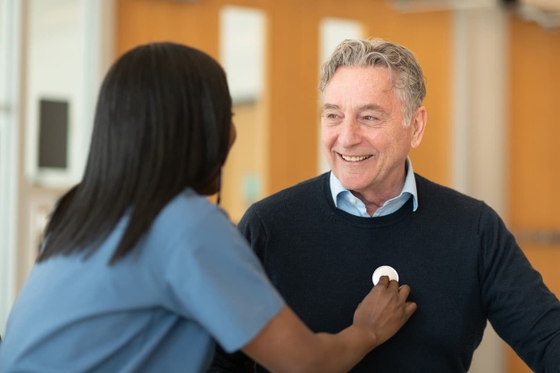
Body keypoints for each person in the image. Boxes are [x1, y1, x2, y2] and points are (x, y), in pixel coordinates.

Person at [0, 42, 417, 373]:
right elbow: (304, 364)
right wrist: (367, 331)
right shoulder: (185, 225)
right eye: (227, 115)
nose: (233, 132)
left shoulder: (79, 214)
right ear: (199, 130)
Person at [209, 38, 560, 373]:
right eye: (333, 116)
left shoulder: (474, 228)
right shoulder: (269, 226)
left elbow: (547, 338)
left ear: (416, 126)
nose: (346, 137)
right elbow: (219, 363)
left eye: (369, 117)